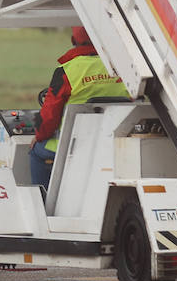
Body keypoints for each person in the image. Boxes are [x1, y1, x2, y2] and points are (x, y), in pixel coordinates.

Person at [29, 26, 130, 188]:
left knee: (36, 152)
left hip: (73, 145)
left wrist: (38, 136)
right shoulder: (125, 68)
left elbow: (49, 117)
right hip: (116, 144)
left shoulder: (67, 71)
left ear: (73, 41)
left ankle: (42, 203)